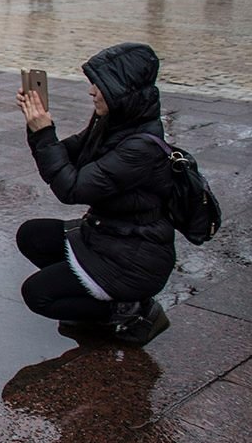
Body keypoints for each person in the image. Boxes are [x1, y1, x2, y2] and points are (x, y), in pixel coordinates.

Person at [15, 42, 175, 346]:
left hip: (134, 259)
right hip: (108, 236)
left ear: (121, 90)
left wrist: (44, 133)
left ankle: (131, 311)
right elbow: (65, 155)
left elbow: (72, 188)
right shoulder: (113, 123)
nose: (92, 92)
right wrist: (38, 126)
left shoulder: (141, 147)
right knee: (31, 235)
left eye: (99, 85)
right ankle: (91, 300)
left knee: (38, 294)